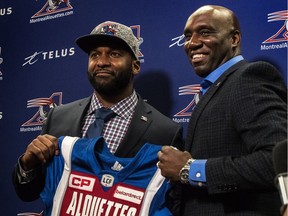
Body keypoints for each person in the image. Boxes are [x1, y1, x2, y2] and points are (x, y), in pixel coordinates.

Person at [12, 21, 183, 202]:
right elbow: (28, 193)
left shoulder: (166, 132)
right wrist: (27, 165)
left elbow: (171, 202)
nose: (101, 62)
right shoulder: (57, 117)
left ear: (135, 66)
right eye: (95, 55)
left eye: (114, 54)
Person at [157, 5, 287, 216]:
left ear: (234, 39)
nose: (192, 43)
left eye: (205, 32)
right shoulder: (217, 88)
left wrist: (190, 169)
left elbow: (276, 160)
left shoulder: (249, 78)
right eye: (188, 36)